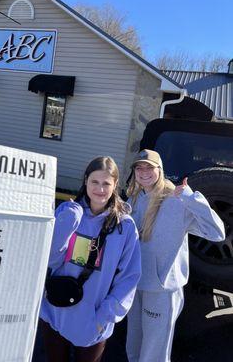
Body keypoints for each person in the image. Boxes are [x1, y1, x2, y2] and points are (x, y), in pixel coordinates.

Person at [125, 149, 225, 362]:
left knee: (154, 353)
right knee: (133, 345)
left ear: (159, 170)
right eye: (139, 168)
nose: (144, 172)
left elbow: (217, 233)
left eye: (149, 167)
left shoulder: (177, 200)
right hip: (134, 284)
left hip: (161, 289)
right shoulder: (133, 199)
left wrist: (192, 197)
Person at [39, 156, 141, 362]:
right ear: (85, 181)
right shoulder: (67, 212)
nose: (100, 189)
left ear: (114, 186)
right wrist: (68, 222)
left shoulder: (125, 226)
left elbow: (129, 276)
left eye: (106, 184)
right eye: (95, 181)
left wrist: (104, 316)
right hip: (55, 311)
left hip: (92, 319)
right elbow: (48, 261)